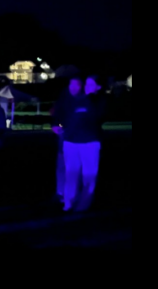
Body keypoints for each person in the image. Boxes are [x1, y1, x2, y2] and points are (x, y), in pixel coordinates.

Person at [53, 76, 103, 212]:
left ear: (98, 87)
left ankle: (83, 205)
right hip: (71, 142)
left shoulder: (98, 101)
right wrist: (57, 125)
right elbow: (61, 114)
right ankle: (69, 202)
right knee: (71, 174)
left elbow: (98, 117)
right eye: (87, 84)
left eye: (91, 84)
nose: (88, 86)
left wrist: (92, 97)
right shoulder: (74, 100)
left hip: (89, 143)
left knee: (89, 175)